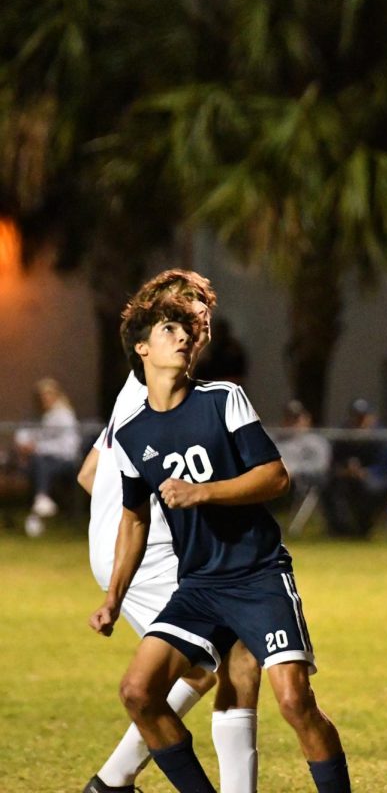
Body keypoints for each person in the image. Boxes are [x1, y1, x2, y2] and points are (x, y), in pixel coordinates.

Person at [90, 292, 350, 792]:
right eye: (169, 330)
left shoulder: (222, 398)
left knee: (296, 702)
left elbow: (275, 479)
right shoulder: (130, 431)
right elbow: (133, 519)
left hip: (259, 576)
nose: (184, 336)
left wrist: (202, 492)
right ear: (141, 349)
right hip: (199, 586)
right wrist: (112, 599)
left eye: (186, 330)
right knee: (138, 693)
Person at [76, 270, 260, 793]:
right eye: (183, 319)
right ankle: (115, 781)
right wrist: (147, 523)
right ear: (148, 337)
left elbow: (89, 474)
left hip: (126, 544)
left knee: (209, 664)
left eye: (202, 321)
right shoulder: (155, 384)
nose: (194, 331)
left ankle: (113, 781)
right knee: (233, 657)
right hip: (147, 551)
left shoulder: (143, 389)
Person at [16, 377, 81, 537]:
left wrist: (36, 448)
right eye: (41, 396)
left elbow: (67, 448)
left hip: (67, 461)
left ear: (56, 395)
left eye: (48, 395)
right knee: (34, 465)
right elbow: (32, 434)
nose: (44, 399)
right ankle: (40, 502)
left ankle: (40, 502)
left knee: (38, 463)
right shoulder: (45, 415)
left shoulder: (63, 416)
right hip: (49, 461)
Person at [322, 399, 387, 538]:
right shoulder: (344, 434)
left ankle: (364, 529)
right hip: (347, 477)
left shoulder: (382, 436)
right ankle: (340, 530)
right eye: (356, 416)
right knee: (328, 486)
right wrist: (343, 470)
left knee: (370, 488)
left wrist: (366, 472)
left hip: (376, 478)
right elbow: (334, 461)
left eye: (363, 417)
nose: (359, 421)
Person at [276, 400, 332, 536]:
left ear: (307, 419)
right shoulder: (275, 440)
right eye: (289, 418)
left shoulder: (317, 442)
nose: (293, 422)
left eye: (296, 418)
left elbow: (320, 467)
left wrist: (293, 471)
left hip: (299, 483)